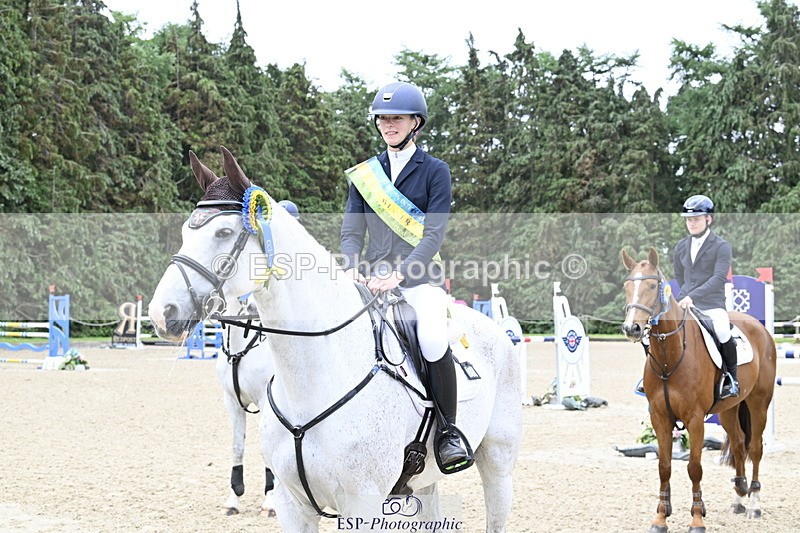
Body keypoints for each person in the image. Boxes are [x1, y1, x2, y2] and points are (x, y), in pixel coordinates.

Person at [339, 81, 472, 473]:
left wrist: (399, 274)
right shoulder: (365, 175)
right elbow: (351, 233)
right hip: (369, 280)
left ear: (416, 122)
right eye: (382, 118)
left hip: (419, 280)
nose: (388, 124)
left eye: (396, 118)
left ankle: (448, 432)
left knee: (431, 337)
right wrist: (351, 267)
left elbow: (433, 235)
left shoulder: (435, 171)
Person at [673, 194, 739, 399]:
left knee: (721, 330)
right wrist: (683, 298)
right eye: (688, 219)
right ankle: (656, 379)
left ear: (708, 219)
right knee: (660, 328)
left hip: (711, 304)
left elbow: (719, 278)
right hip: (686, 303)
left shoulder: (721, 246)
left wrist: (693, 296)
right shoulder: (681, 246)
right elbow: (679, 276)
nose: (691, 223)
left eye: (696, 219)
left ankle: (732, 379)